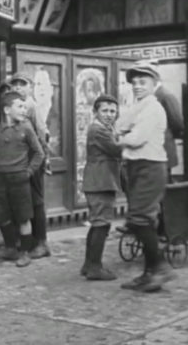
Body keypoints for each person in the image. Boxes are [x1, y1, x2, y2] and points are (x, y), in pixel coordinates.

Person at [116, 62, 177, 292]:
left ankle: (160, 268)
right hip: (137, 166)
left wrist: (121, 138)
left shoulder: (153, 107)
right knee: (142, 219)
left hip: (150, 166)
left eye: (143, 82)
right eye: (134, 82)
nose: (137, 86)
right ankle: (150, 273)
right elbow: (120, 124)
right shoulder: (138, 106)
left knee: (138, 219)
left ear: (154, 84)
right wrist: (122, 131)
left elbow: (136, 138)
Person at [0, 91, 44, 267]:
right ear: (7, 110)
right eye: (19, 107)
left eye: (25, 107)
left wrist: (28, 172)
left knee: (23, 217)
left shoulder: (26, 129)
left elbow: (39, 153)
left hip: (19, 179)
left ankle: (25, 252)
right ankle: (11, 247)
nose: (24, 110)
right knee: (2, 216)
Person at [81, 94, 122, 281]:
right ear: (95, 112)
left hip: (100, 181)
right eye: (104, 111)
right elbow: (117, 150)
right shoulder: (99, 130)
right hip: (100, 182)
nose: (109, 114)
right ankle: (95, 267)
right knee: (101, 224)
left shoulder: (104, 128)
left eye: (113, 111)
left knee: (98, 223)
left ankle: (89, 264)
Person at [10, 72, 51, 258]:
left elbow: (42, 132)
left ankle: (41, 242)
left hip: (33, 159)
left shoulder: (31, 106)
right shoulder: (14, 107)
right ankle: (31, 239)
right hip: (20, 160)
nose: (18, 87)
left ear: (30, 87)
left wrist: (44, 158)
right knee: (26, 201)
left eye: (22, 84)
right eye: (15, 84)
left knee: (36, 201)